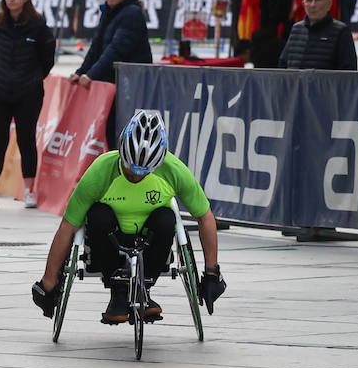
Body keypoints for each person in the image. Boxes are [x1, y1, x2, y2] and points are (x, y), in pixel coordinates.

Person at [31, 111, 225, 324]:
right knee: (97, 214)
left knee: (167, 217)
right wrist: (49, 280)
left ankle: (145, 288)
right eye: (130, 169)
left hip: (152, 239)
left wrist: (212, 272)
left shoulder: (173, 170)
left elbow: (205, 217)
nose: (136, 176)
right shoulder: (101, 170)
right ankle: (118, 292)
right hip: (109, 239)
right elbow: (68, 227)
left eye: (144, 172)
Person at [0, 0, 55, 210]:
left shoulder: (38, 25)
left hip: (28, 92)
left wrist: (35, 76)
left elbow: (48, 56)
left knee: (26, 140)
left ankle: (29, 191)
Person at [70, 0, 153, 149]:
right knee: (109, 134)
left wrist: (90, 75)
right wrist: (81, 72)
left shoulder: (132, 13)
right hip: (113, 86)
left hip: (130, 88)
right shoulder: (109, 11)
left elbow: (115, 50)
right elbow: (96, 47)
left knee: (122, 136)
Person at [279, 0, 357, 71]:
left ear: (329, 3)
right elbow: (283, 63)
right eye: (309, 0)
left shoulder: (341, 31)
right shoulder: (296, 29)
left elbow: (349, 71)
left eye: (318, 0)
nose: (313, 5)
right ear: (303, 4)